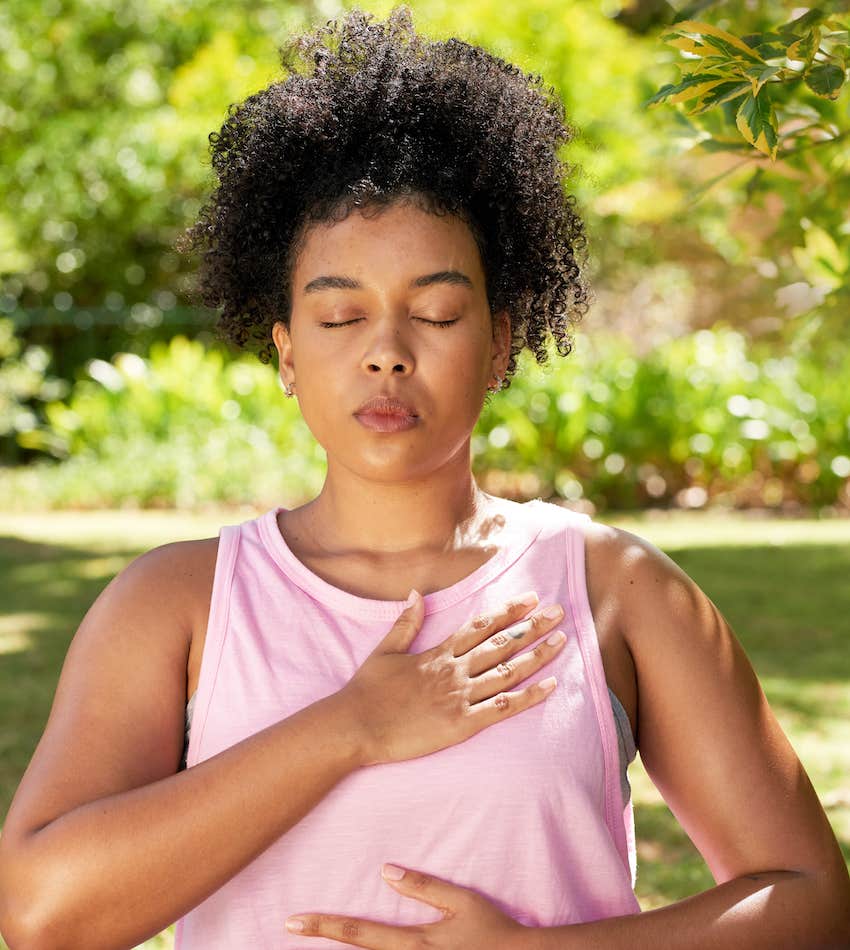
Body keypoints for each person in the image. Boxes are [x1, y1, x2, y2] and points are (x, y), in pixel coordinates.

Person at [1, 6, 848, 948]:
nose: (387, 355)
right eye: (339, 318)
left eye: (438, 314)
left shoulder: (617, 589)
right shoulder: (177, 603)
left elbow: (811, 901)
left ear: (499, 345)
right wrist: (351, 726)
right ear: (285, 353)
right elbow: (44, 914)